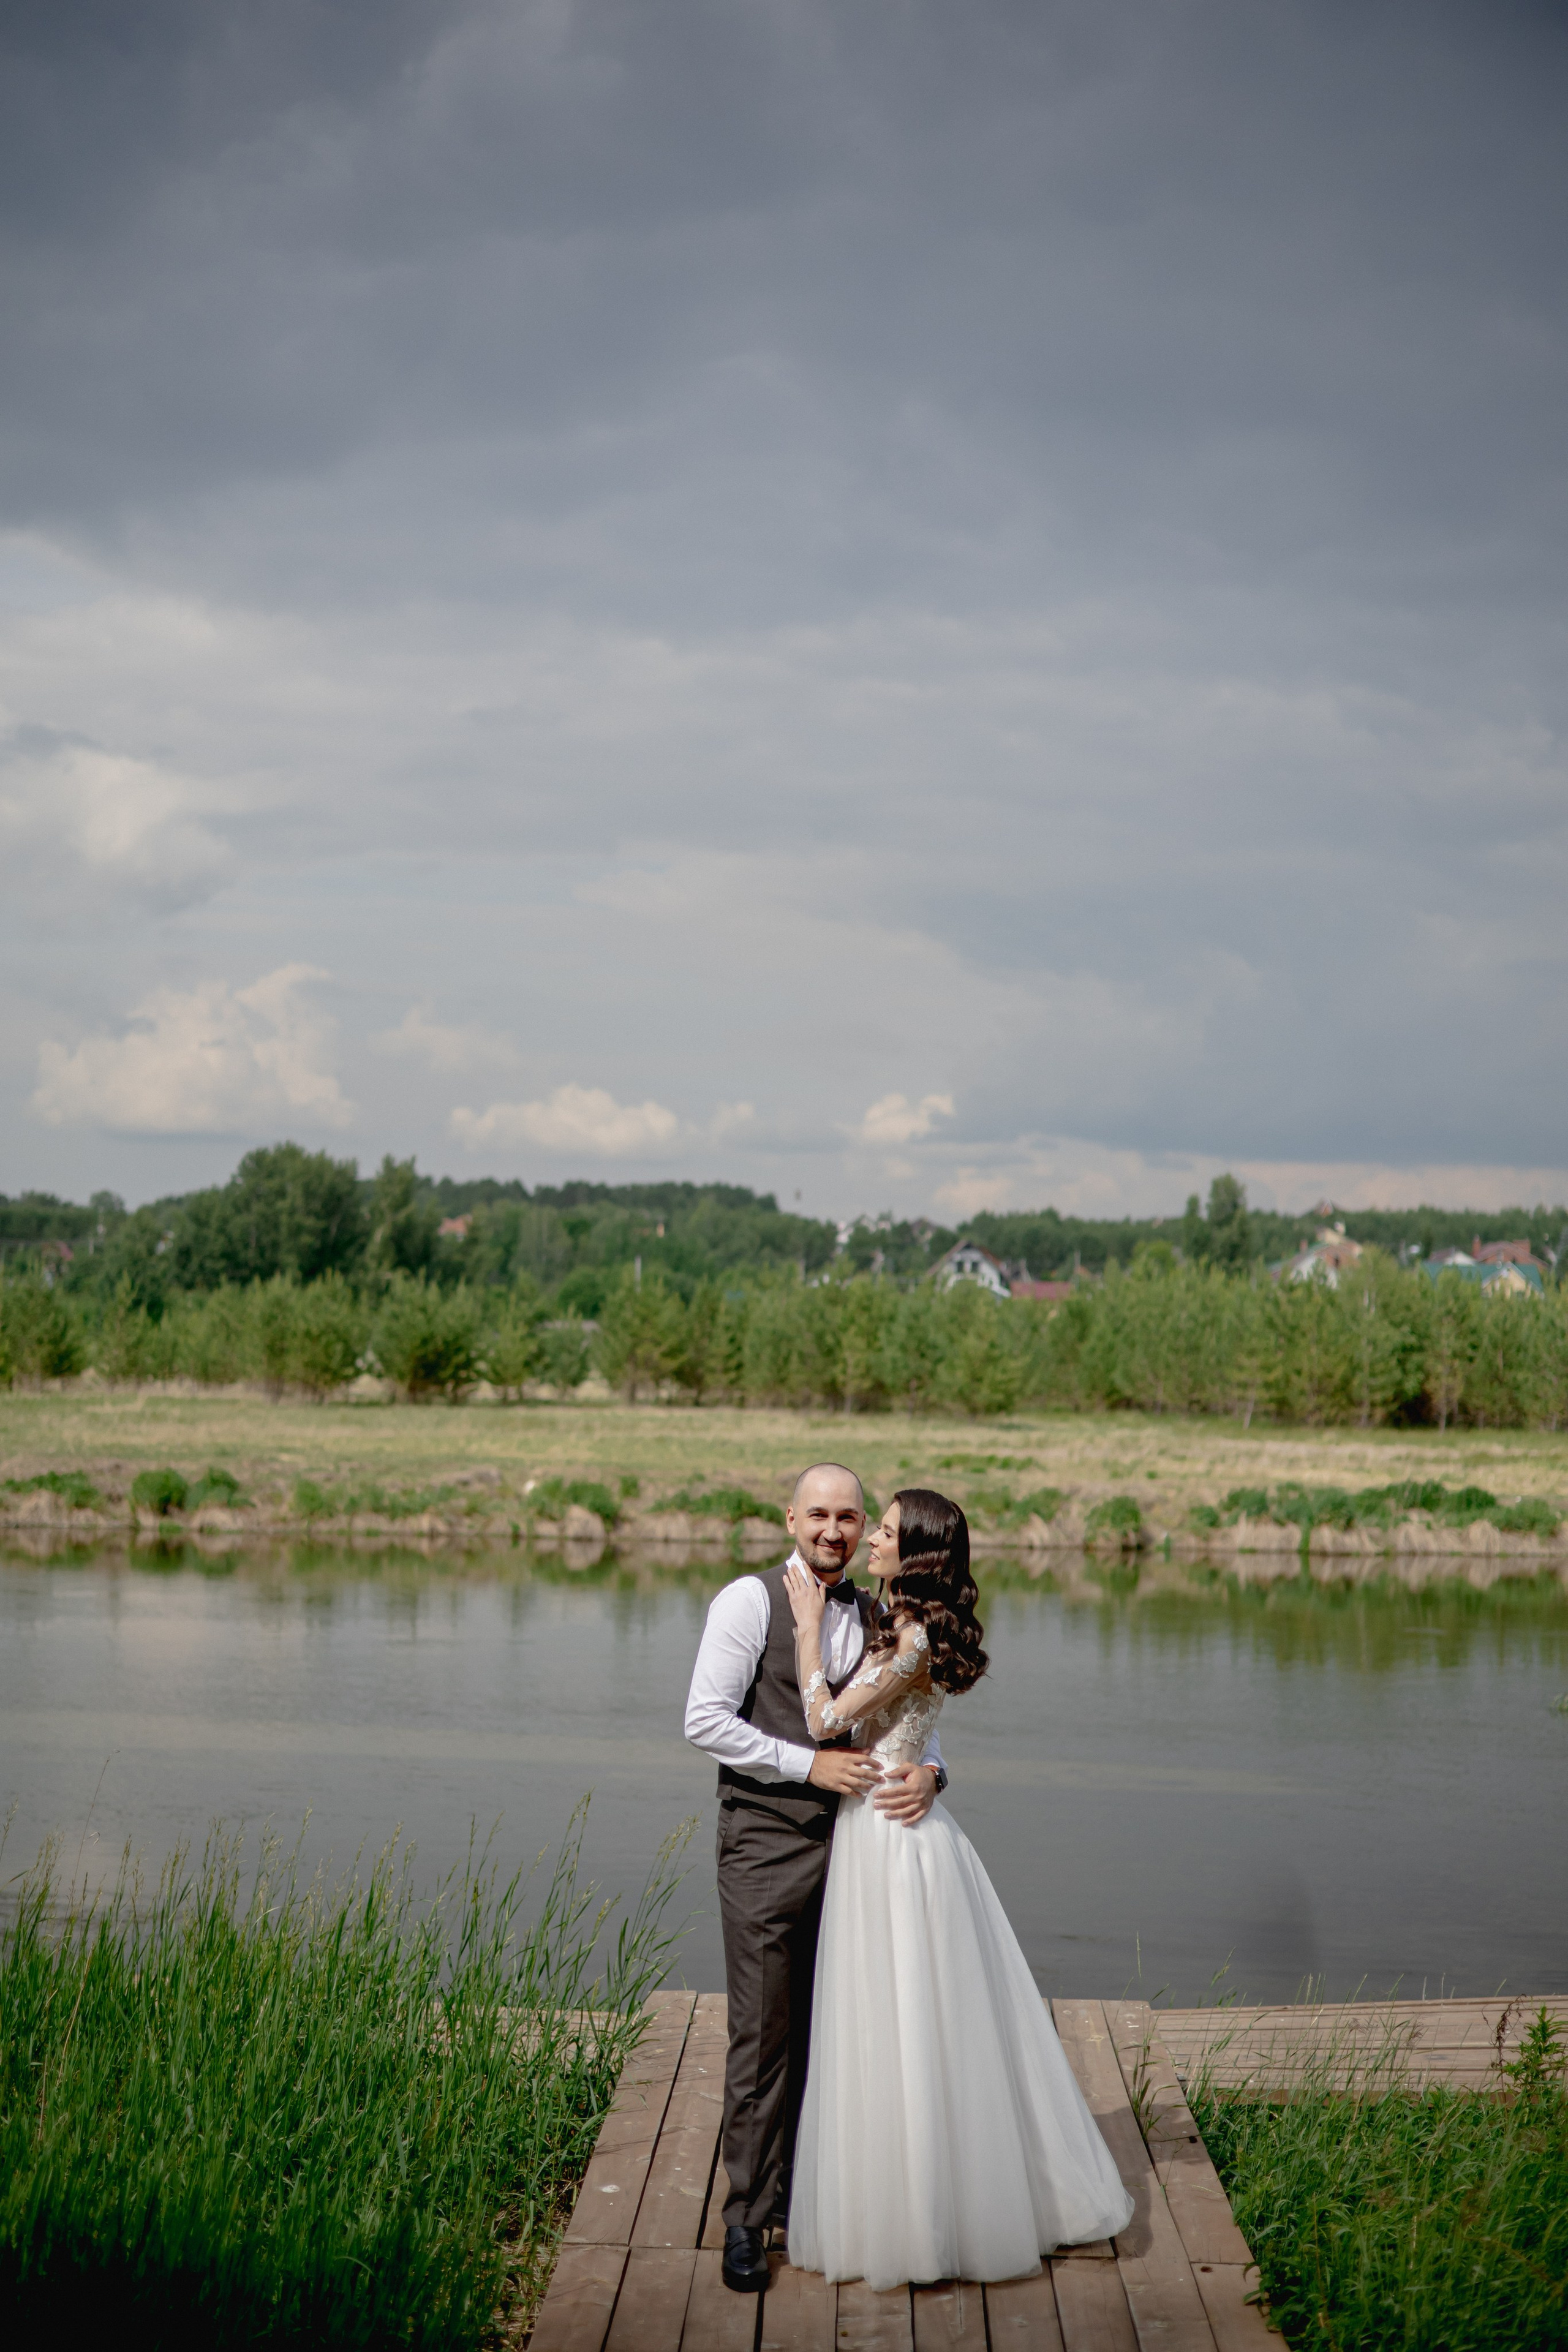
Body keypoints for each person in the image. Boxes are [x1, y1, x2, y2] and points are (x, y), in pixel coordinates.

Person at [785, 1488, 1134, 2290]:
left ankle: (923, 2218)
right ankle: (913, 2199)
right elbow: (910, 1730)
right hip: (888, 1825)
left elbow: (823, 1721)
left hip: (890, 1837)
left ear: (920, 1553)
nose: (871, 1536)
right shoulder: (907, 1622)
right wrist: (932, 1769)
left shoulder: (909, 1638)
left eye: (886, 1529)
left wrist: (807, 1634)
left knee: (905, 2013)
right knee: (905, 2013)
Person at [684, 1463, 949, 2295]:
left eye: (850, 1517)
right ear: (790, 1517)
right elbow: (703, 1721)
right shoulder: (747, 1602)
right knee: (763, 2034)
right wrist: (810, 1767)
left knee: (841, 2025)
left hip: (862, 1847)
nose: (835, 1531)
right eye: (820, 1516)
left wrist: (935, 1776)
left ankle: (821, 2194)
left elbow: (906, 1722)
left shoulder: (882, 1611)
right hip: (765, 1841)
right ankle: (746, 2218)